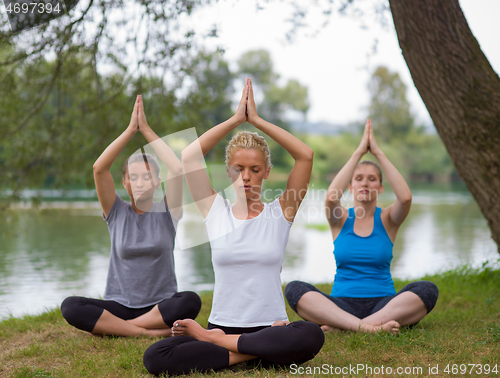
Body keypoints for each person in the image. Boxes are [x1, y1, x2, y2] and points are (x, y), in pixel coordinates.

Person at [142, 79, 324, 376]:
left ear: (267, 172)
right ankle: (256, 353)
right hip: (223, 326)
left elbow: (305, 155)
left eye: (255, 169)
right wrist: (236, 119)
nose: (246, 177)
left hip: (270, 327)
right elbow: (189, 156)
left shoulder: (282, 212)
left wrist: (258, 121)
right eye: (239, 169)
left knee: (311, 335)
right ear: (228, 171)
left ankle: (230, 346)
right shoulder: (214, 210)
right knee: (157, 355)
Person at [61, 95, 201, 337]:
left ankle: (122, 329)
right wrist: (129, 131)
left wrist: (145, 130)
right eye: (133, 177)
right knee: (70, 306)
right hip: (119, 306)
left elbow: (177, 169)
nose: (140, 183)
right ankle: (148, 333)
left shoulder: (169, 212)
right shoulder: (115, 211)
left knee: (190, 301)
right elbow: (99, 168)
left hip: (160, 306)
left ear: (158, 182)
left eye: (147, 177)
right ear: (124, 182)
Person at [285, 120, 438, 334]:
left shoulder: (388, 219)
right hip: (342, 305)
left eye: (372, 179)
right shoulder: (339, 219)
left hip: (384, 304)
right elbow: (330, 197)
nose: (365, 183)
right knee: (294, 289)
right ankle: (370, 328)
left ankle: (346, 327)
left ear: (380, 187)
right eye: (359, 178)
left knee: (427, 289)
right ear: (351, 186)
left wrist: (378, 153)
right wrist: (358, 152)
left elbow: (405, 198)